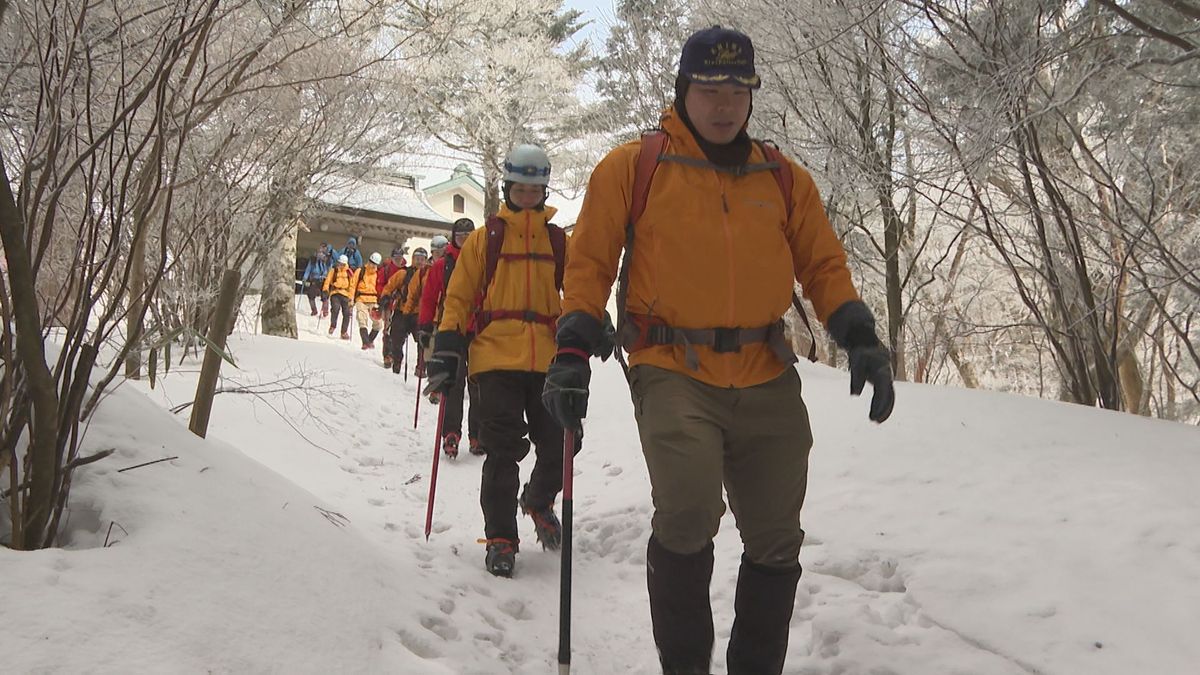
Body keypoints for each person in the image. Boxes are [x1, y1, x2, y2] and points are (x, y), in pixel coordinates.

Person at [541, 26, 896, 675]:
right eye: (710, 88)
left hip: (765, 371)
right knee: (688, 510)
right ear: (684, 90)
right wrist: (570, 348)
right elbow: (589, 262)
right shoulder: (635, 166)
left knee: (776, 537)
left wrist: (861, 337)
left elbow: (823, 266)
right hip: (672, 367)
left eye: (739, 88)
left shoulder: (782, 178)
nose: (725, 102)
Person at [426, 147, 567, 578]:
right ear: (508, 188)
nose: (527, 195)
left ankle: (538, 499)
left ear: (543, 190)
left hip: (548, 358)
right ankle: (501, 538)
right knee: (503, 451)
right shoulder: (485, 238)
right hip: (493, 357)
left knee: (563, 443)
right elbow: (460, 296)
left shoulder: (559, 240)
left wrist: (592, 324)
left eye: (535, 189)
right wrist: (447, 347)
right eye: (520, 188)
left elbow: (580, 291)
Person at [418, 219, 483, 458]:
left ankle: (478, 434)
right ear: (453, 237)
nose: (464, 240)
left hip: (479, 329)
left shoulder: (483, 261)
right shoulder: (442, 265)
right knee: (454, 383)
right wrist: (425, 325)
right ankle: (450, 433)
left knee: (478, 383)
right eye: (460, 236)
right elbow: (429, 297)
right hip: (451, 328)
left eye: (469, 235)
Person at [380, 246, 428, 374]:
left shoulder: (429, 275)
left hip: (420, 313)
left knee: (423, 340)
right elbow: (390, 286)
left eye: (422, 259)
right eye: (417, 259)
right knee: (396, 337)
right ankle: (397, 361)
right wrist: (385, 296)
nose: (419, 262)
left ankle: (421, 367)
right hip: (402, 310)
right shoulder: (403, 273)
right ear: (412, 259)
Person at [378, 246, 408, 369]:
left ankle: (395, 354)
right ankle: (387, 355)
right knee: (387, 329)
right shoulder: (386, 269)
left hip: (401, 305)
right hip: (388, 304)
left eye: (400, 257)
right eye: (396, 257)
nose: (398, 260)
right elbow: (380, 285)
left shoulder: (406, 271)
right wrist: (384, 296)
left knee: (397, 331)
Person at [322, 254, 357, 340]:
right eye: (339, 263)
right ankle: (333, 325)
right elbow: (327, 281)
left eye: (342, 264)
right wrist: (325, 290)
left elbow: (352, 286)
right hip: (335, 292)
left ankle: (344, 332)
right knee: (335, 309)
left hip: (345, 294)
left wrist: (351, 297)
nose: (340, 265)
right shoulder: (333, 270)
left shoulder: (349, 272)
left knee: (347, 313)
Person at [353, 252, 384, 349]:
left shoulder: (378, 274)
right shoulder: (360, 271)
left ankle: (370, 340)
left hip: (373, 300)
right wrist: (350, 299)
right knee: (362, 319)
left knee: (378, 323)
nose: (372, 265)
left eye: (374, 263)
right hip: (361, 299)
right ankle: (365, 342)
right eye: (371, 262)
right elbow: (353, 285)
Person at [301, 243, 332, 317]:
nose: (321, 253)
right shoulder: (313, 260)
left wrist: (326, 276)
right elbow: (308, 269)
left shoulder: (328, 261)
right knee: (310, 294)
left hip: (324, 280)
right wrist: (305, 278)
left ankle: (325, 310)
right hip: (315, 278)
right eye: (320, 250)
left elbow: (330, 270)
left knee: (324, 295)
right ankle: (314, 310)